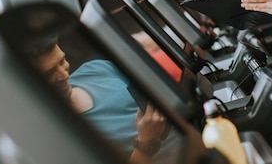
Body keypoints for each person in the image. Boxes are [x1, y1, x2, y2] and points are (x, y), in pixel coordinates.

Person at [26, 36, 172, 164]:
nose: (63, 75)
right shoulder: (59, 137)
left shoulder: (97, 68)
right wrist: (146, 144)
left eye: (62, 61)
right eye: (48, 74)